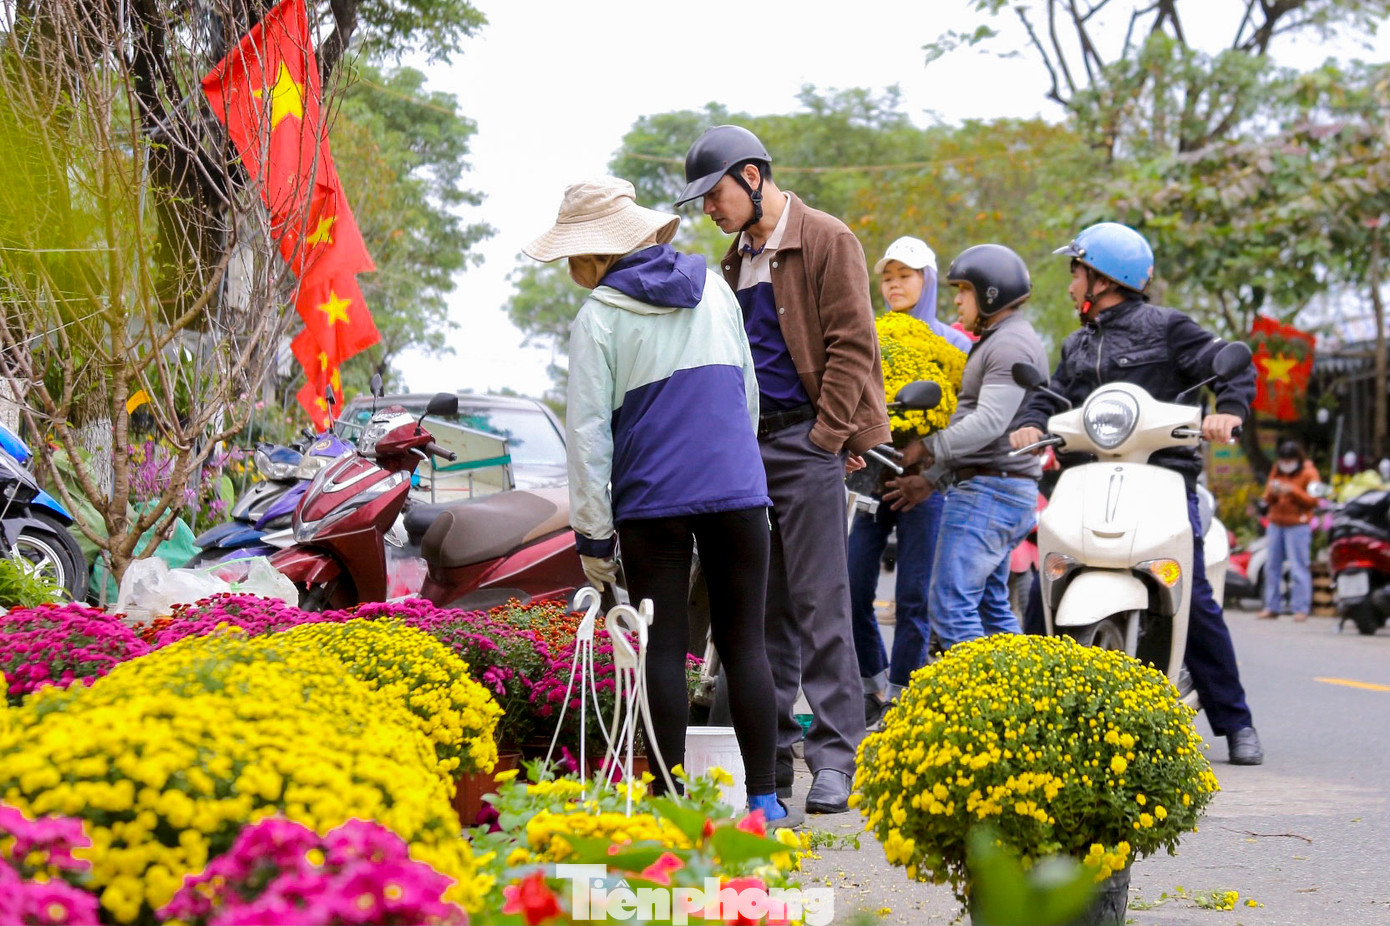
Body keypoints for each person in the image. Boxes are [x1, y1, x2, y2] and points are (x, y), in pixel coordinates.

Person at [523, 176, 798, 824]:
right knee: (745, 644)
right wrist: (736, 471)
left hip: (654, 501)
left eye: (573, 256)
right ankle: (766, 799)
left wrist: (592, 537)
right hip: (736, 489)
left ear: (598, 254)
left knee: (665, 649)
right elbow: (748, 397)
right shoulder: (718, 292)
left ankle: (672, 805)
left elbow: (589, 434)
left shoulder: (599, 317)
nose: (570, 269)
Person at [675, 125, 891, 814]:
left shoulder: (828, 238)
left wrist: (830, 435)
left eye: (713, 195)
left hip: (808, 445)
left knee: (821, 605)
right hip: (747, 450)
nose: (709, 210)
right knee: (759, 614)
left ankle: (837, 761)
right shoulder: (735, 260)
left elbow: (853, 344)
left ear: (750, 176)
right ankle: (771, 765)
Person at [1008, 221, 1264, 766]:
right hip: (1086, 478)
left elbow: (1233, 373)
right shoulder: (1075, 344)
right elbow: (1048, 397)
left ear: (1101, 276)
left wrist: (1229, 414)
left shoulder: (1168, 328)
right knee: (1045, 586)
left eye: (1075, 271)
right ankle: (1024, 712)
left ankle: (1236, 721)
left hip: (1162, 478)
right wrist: (1030, 424)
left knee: (1189, 595)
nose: (1071, 282)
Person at [885, 244, 1049, 649]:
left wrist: (926, 447)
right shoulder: (996, 339)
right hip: (990, 486)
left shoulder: (1009, 345)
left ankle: (980, 702)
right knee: (992, 608)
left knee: (950, 605)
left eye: (965, 291)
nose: (956, 300)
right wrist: (935, 479)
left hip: (989, 493)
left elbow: (989, 423)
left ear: (990, 293)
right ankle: (1022, 698)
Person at [850, 237, 970, 725]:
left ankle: (904, 697)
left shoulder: (955, 344)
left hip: (928, 484)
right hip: (870, 478)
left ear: (928, 281)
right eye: (888, 276)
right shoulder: (869, 335)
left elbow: (965, 421)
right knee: (853, 586)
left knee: (914, 597)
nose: (895, 284)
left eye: (906, 275)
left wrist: (928, 461)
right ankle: (872, 685)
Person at [1258, 440, 1320, 622]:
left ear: (1298, 459)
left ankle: (1301, 608)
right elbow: (1267, 496)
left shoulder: (1310, 472)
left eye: (1289, 460)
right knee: (1272, 567)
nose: (1286, 464)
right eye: (1283, 460)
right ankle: (1271, 606)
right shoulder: (1277, 469)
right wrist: (1273, 492)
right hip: (1276, 523)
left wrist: (1293, 490)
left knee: (1298, 567)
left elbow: (1314, 500)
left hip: (1298, 525)